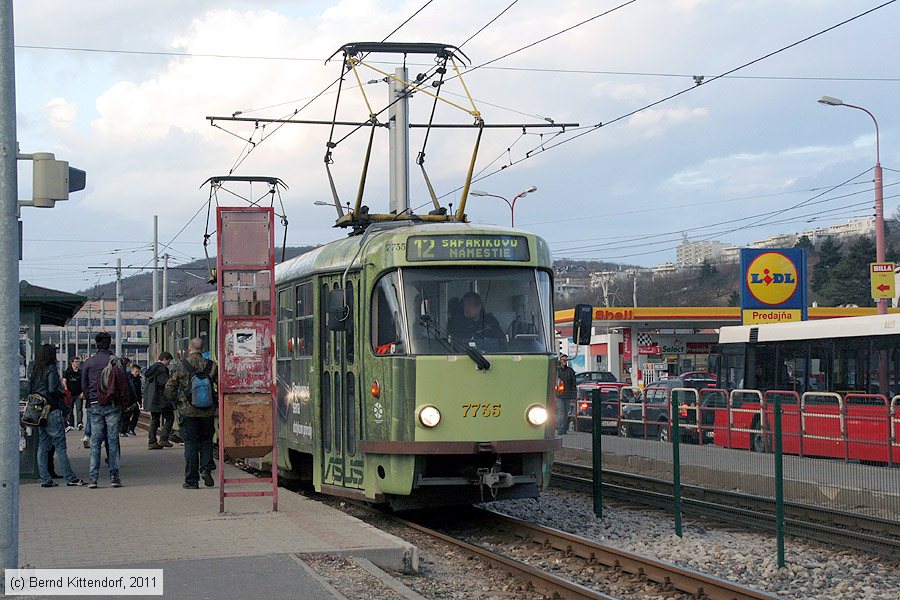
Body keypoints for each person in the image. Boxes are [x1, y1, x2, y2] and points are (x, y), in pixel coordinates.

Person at [30, 344, 85, 487]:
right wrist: (62, 393)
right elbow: (52, 389)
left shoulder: (36, 369)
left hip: (39, 411)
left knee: (43, 446)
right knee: (60, 446)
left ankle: (45, 479)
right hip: (52, 410)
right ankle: (70, 478)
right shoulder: (51, 368)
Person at [165, 338, 217, 489]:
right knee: (206, 441)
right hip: (207, 411)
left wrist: (177, 402)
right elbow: (220, 385)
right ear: (203, 349)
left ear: (189, 349)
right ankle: (206, 469)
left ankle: (191, 481)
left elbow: (169, 388)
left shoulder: (181, 365)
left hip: (188, 412)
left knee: (191, 444)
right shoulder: (212, 365)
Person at [82, 332, 127, 489]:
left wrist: (90, 398)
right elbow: (123, 383)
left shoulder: (89, 363)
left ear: (96, 344)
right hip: (112, 404)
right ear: (109, 344)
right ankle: (114, 477)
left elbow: (84, 385)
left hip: (95, 404)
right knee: (113, 441)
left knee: (95, 442)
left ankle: (93, 478)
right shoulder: (115, 361)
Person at [145, 352, 174, 450]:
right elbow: (164, 383)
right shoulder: (161, 369)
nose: (169, 364)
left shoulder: (152, 368)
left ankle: (152, 441)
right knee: (170, 418)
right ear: (164, 359)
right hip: (161, 399)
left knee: (155, 419)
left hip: (152, 399)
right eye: (169, 361)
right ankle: (164, 439)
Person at [119, 362, 142, 437]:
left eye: (138, 372)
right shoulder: (127, 378)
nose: (137, 373)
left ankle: (130, 428)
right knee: (126, 415)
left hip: (134, 400)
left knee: (136, 413)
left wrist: (140, 401)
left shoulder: (138, 380)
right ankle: (123, 430)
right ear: (132, 370)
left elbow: (138, 391)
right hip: (128, 400)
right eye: (136, 372)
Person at [556, 354, 577, 435]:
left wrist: (573, 394)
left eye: (566, 360)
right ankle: (560, 428)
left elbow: (573, 383)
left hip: (567, 394)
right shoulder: (557, 370)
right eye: (563, 360)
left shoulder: (570, 371)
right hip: (559, 395)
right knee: (561, 411)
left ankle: (564, 428)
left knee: (565, 412)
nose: (565, 361)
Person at [63, 356, 84, 431]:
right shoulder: (68, 371)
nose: (77, 363)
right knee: (70, 409)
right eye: (76, 361)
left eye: (78, 362)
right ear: (72, 362)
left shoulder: (81, 372)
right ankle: (70, 424)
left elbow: (84, 382)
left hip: (79, 393)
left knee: (79, 409)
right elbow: (64, 381)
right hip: (70, 394)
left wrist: (83, 392)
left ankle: (79, 423)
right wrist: (66, 389)